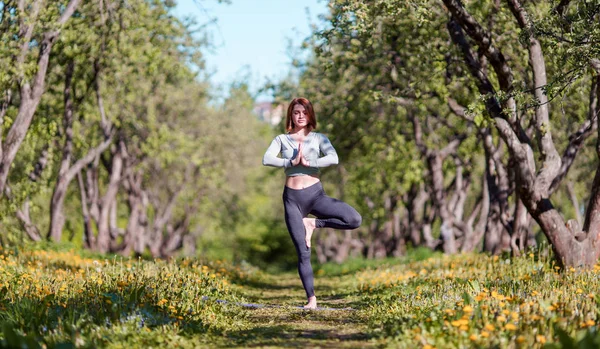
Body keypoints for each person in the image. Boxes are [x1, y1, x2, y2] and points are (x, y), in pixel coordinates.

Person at [262, 97, 362, 309]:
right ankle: (312, 300)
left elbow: (333, 158)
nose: (300, 116)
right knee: (303, 251)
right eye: (296, 112)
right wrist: (290, 162)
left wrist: (311, 162)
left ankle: (313, 224)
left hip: (315, 195)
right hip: (292, 200)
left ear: (310, 115)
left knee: (354, 219)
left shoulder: (318, 139)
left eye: (304, 112)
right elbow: (267, 159)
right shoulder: (281, 139)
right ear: (291, 114)